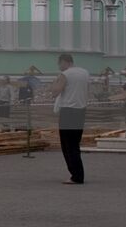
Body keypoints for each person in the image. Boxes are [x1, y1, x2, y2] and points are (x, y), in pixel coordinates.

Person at [50, 53, 90, 185]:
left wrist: (55, 82)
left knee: (67, 145)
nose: (59, 66)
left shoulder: (65, 74)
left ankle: (76, 176)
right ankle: (78, 173)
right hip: (80, 110)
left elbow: (55, 91)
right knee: (75, 144)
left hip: (68, 111)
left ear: (64, 62)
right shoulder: (85, 73)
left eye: (59, 63)